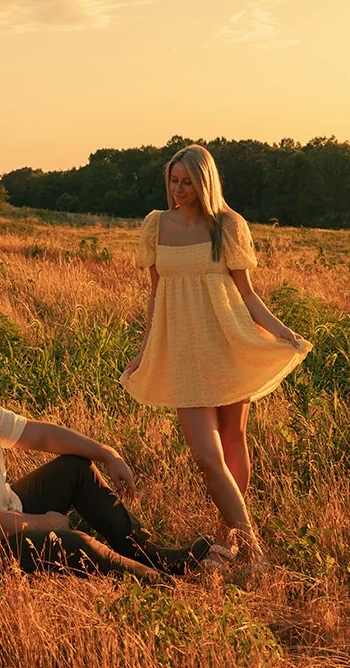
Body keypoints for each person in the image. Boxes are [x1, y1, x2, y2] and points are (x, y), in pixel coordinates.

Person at [120, 144, 312, 565]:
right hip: (182, 352)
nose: (178, 189)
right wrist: (143, 350)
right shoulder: (156, 225)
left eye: (187, 182)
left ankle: (232, 538)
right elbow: (155, 294)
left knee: (232, 440)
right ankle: (254, 547)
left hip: (227, 341)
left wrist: (283, 333)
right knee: (207, 457)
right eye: (173, 180)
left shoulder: (227, 225)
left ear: (205, 182)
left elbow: (246, 293)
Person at [0, 342, 211, 585]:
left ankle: (150, 555)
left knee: (76, 469)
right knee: (73, 543)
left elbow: (39, 434)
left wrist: (107, 453)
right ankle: (159, 585)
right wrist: (46, 522)